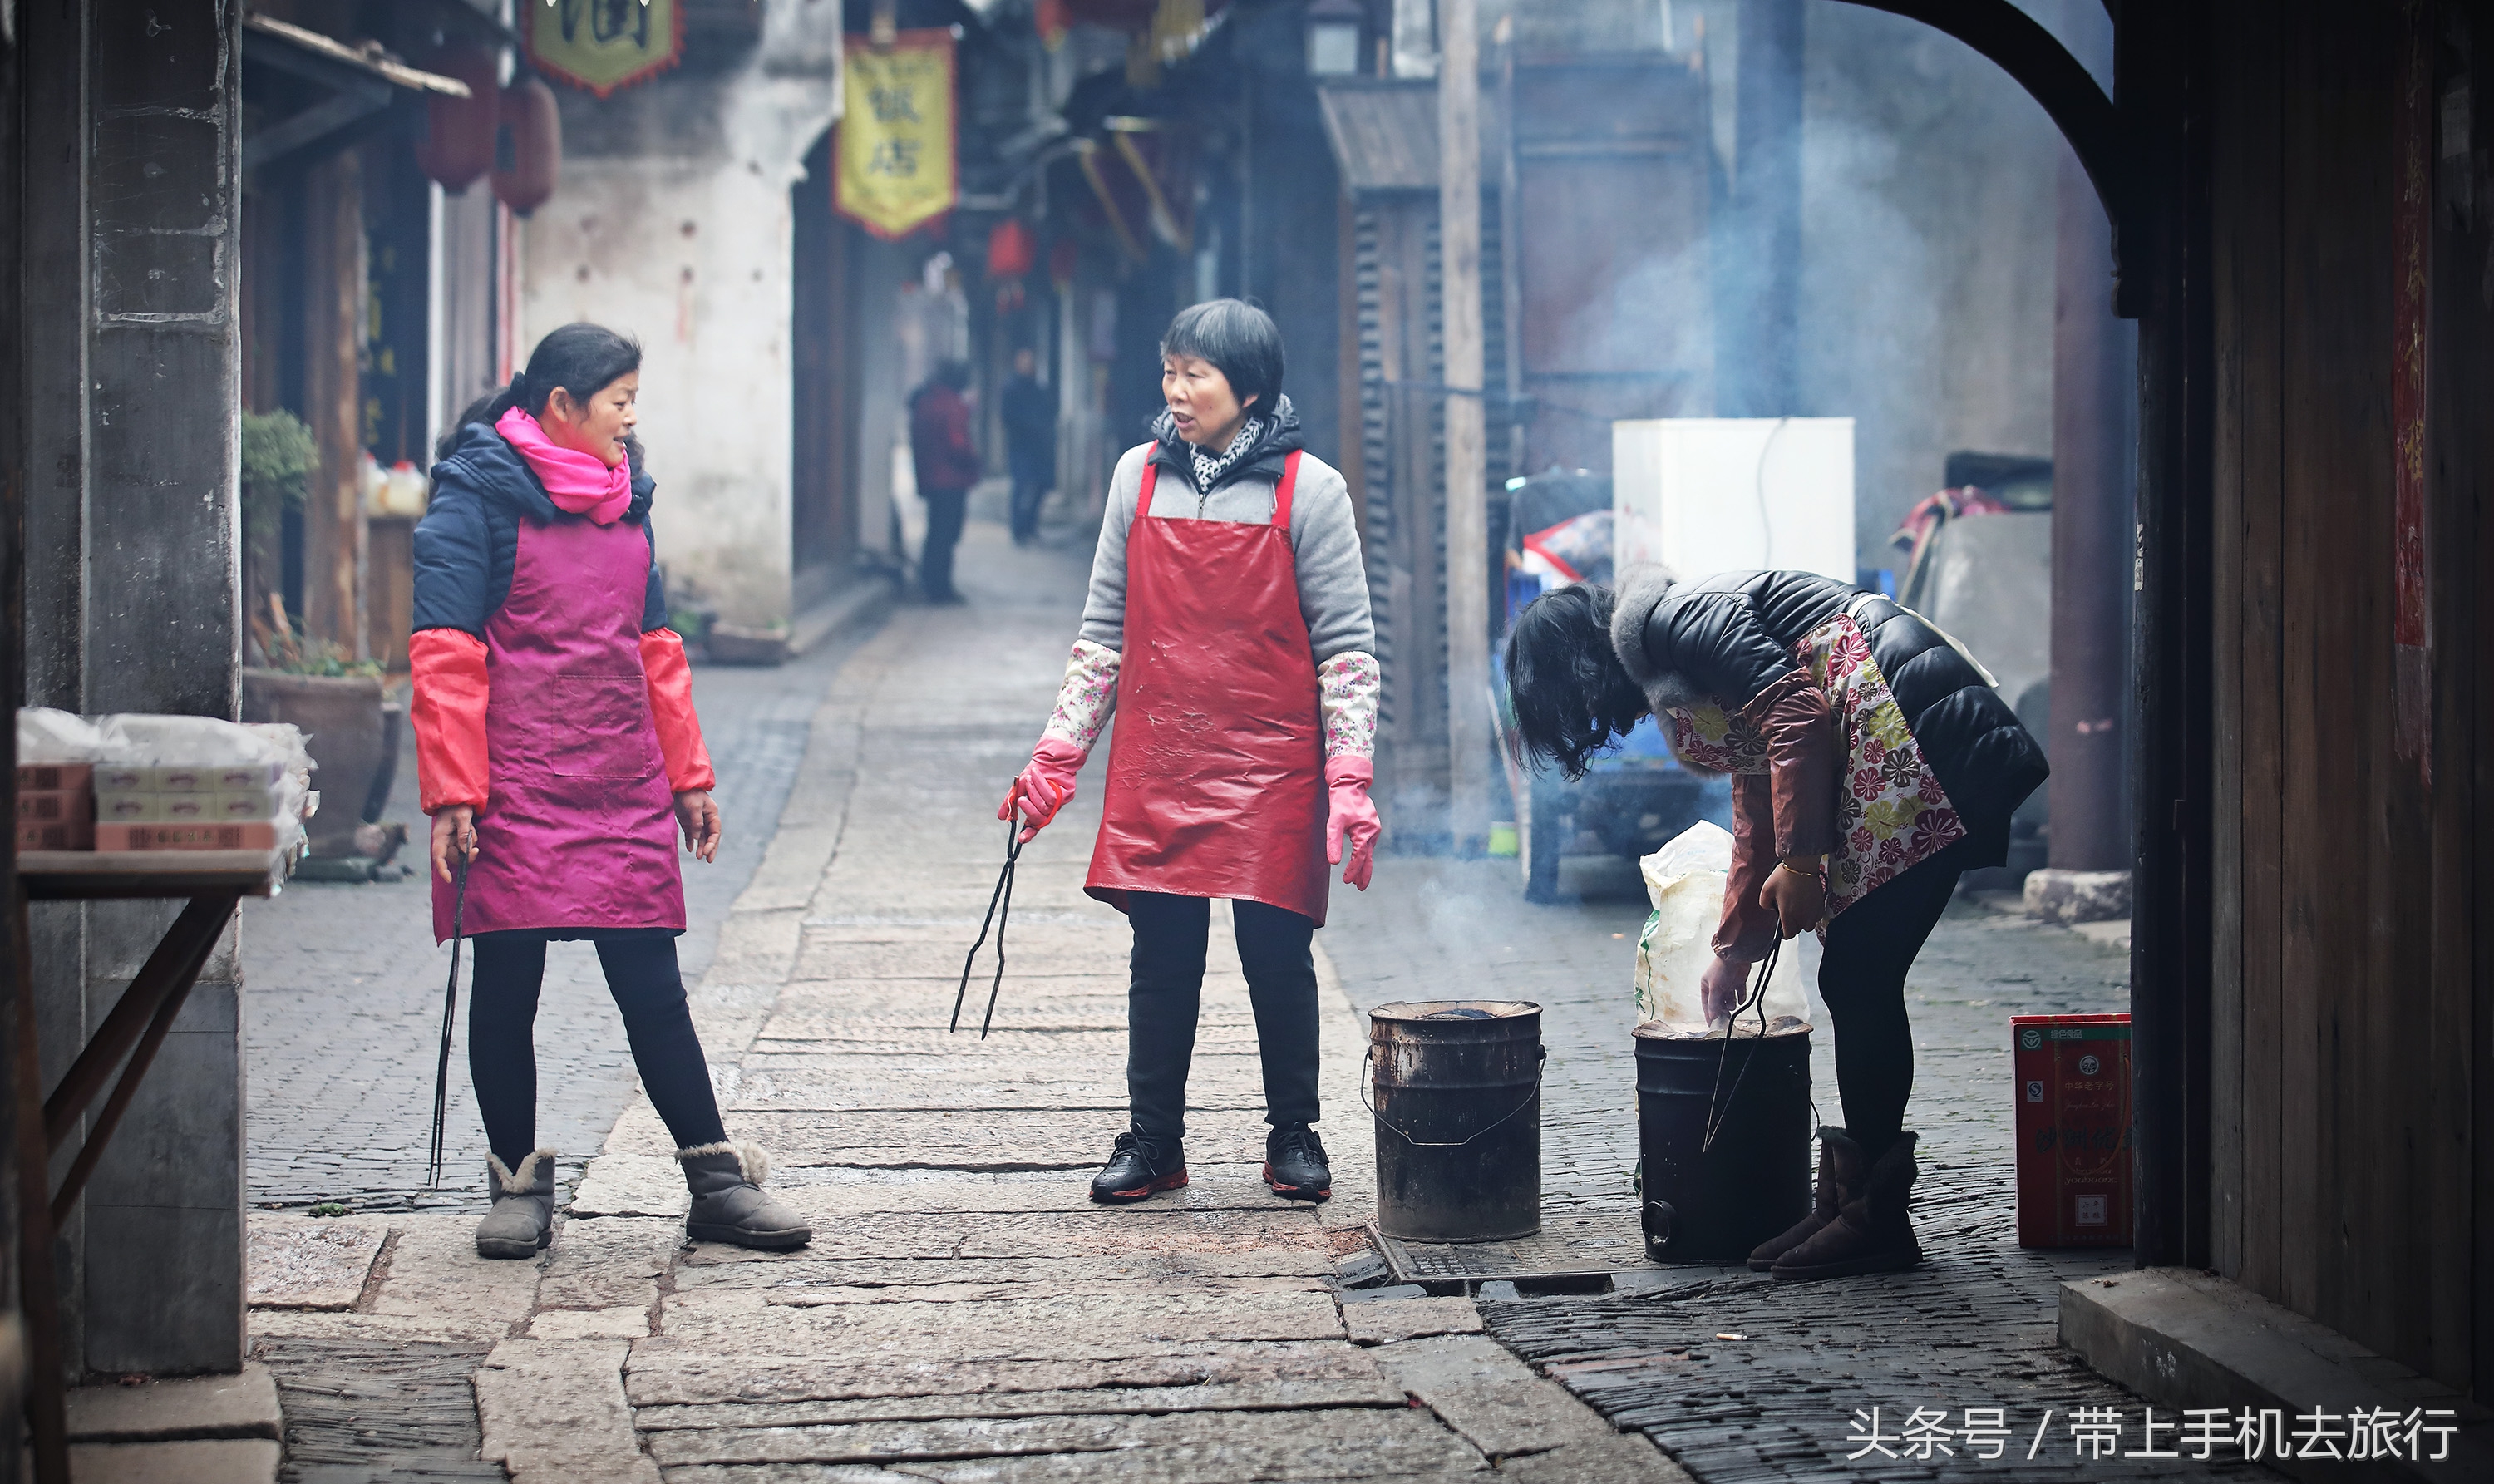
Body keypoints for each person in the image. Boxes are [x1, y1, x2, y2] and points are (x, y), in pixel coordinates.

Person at [1504, 569, 2047, 1279]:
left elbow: (1796, 717)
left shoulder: (1671, 622)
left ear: (1580, 670)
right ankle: (1849, 1203)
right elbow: (1758, 785)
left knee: (1859, 975)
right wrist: (1734, 948)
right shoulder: (1668, 659)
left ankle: (1874, 1219)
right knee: (1859, 973)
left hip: (1918, 727)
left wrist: (1801, 862)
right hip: (1897, 733)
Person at [412, 323, 811, 1260]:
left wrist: (689, 778)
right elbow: (446, 656)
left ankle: (715, 1183)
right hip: (511, 786)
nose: (633, 420)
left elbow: (656, 648)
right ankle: (516, 1186)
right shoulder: (473, 502)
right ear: (562, 407)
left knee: (651, 987)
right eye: (621, 401)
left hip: (619, 781)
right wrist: (454, 793)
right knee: (508, 987)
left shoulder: (626, 501)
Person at [1000, 299, 1383, 1206]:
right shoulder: (1136, 479)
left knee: (1275, 953)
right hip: (1161, 757)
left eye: (1196, 375)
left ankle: (1295, 1135)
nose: (1176, 391)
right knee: (1161, 955)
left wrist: (1350, 777)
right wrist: (1057, 758)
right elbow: (1103, 632)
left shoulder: (1311, 491)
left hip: (1272, 760)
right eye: (1169, 371)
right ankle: (1153, 1142)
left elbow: (1348, 650)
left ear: (1248, 388)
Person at [909, 358, 980, 602]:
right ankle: (940, 588)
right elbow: (958, 445)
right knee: (945, 535)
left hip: (932, 478)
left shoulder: (926, 401)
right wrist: (974, 463)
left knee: (936, 533)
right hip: (950, 479)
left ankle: (931, 582)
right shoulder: (950, 405)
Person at [1000, 347, 1057, 545]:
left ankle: (1030, 526)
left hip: (1038, 447)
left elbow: (1047, 411)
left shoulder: (1038, 388)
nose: (1027, 366)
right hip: (1020, 446)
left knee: (1040, 485)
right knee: (1020, 486)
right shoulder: (1011, 389)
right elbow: (1009, 417)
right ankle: (1018, 530)